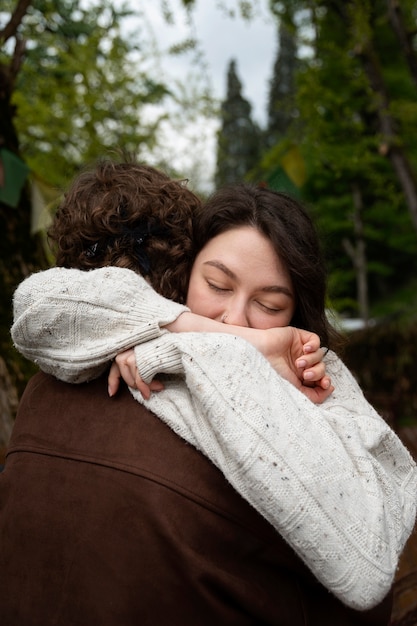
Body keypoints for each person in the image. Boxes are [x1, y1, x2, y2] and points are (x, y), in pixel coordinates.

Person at [3, 159, 416, 625]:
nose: (234, 318)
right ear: (180, 278)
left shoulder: (313, 384)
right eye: (217, 284)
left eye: (268, 305)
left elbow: (369, 548)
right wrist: (227, 341)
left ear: (300, 314)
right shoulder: (125, 340)